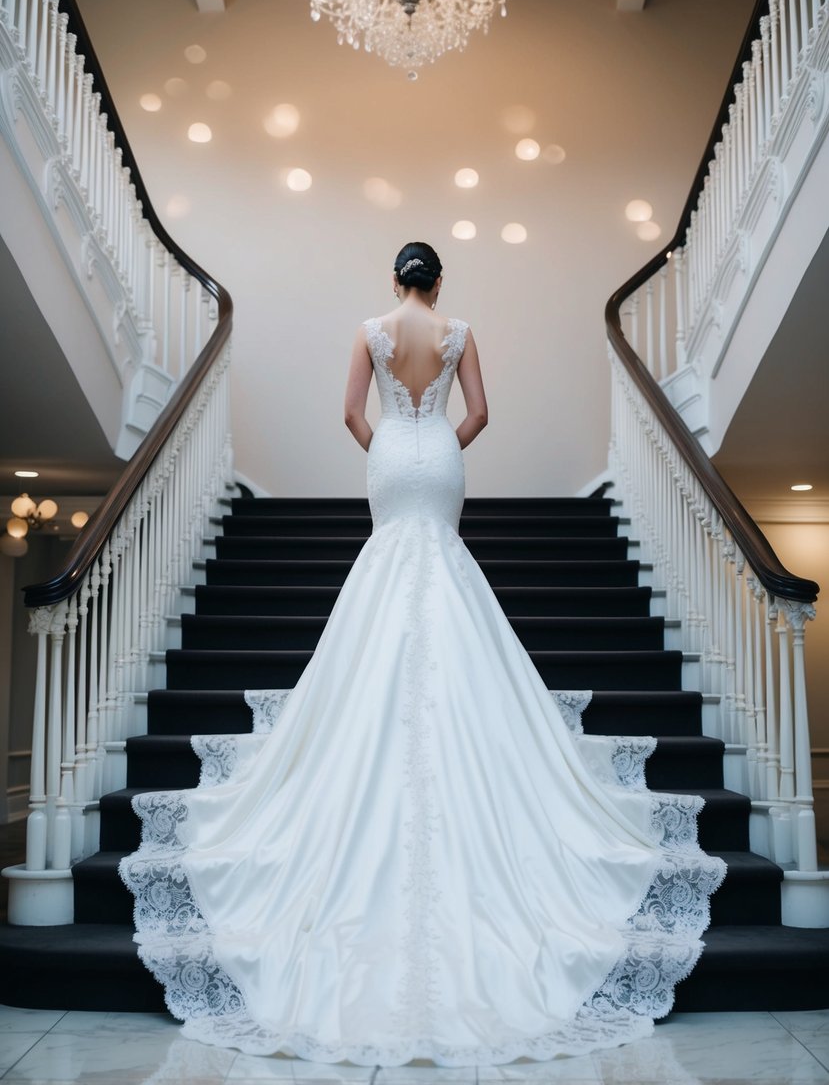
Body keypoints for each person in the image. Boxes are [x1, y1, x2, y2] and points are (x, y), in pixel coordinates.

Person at [120, 241, 725, 1067]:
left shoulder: (368, 330)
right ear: (438, 282)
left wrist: (387, 441)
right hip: (437, 457)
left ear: (392, 279)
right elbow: (478, 414)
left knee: (385, 576)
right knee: (440, 570)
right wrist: (435, 435)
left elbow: (347, 415)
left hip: (388, 460)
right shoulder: (460, 330)